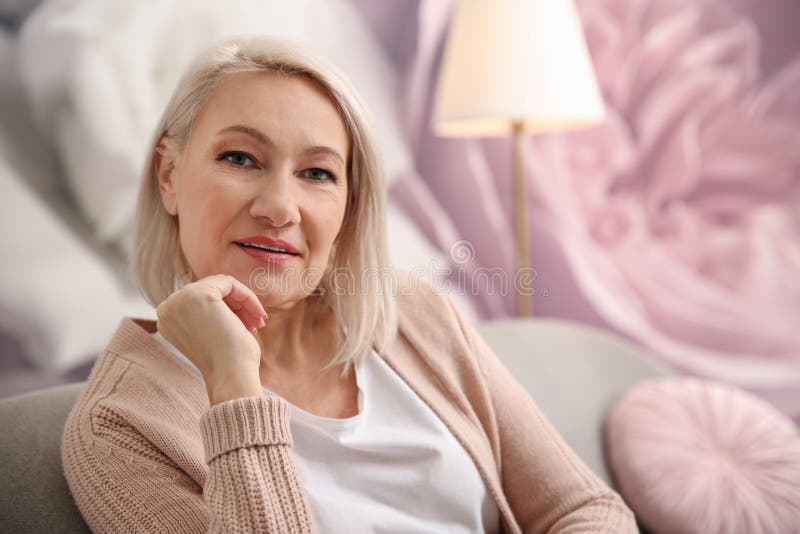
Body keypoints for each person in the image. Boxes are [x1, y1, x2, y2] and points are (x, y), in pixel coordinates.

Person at [61, 36, 637, 533]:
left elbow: (586, 509)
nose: (280, 207)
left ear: (347, 206)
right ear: (168, 176)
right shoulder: (119, 425)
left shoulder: (414, 312)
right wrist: (234, 382)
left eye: (317, 173)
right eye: (240, 158)